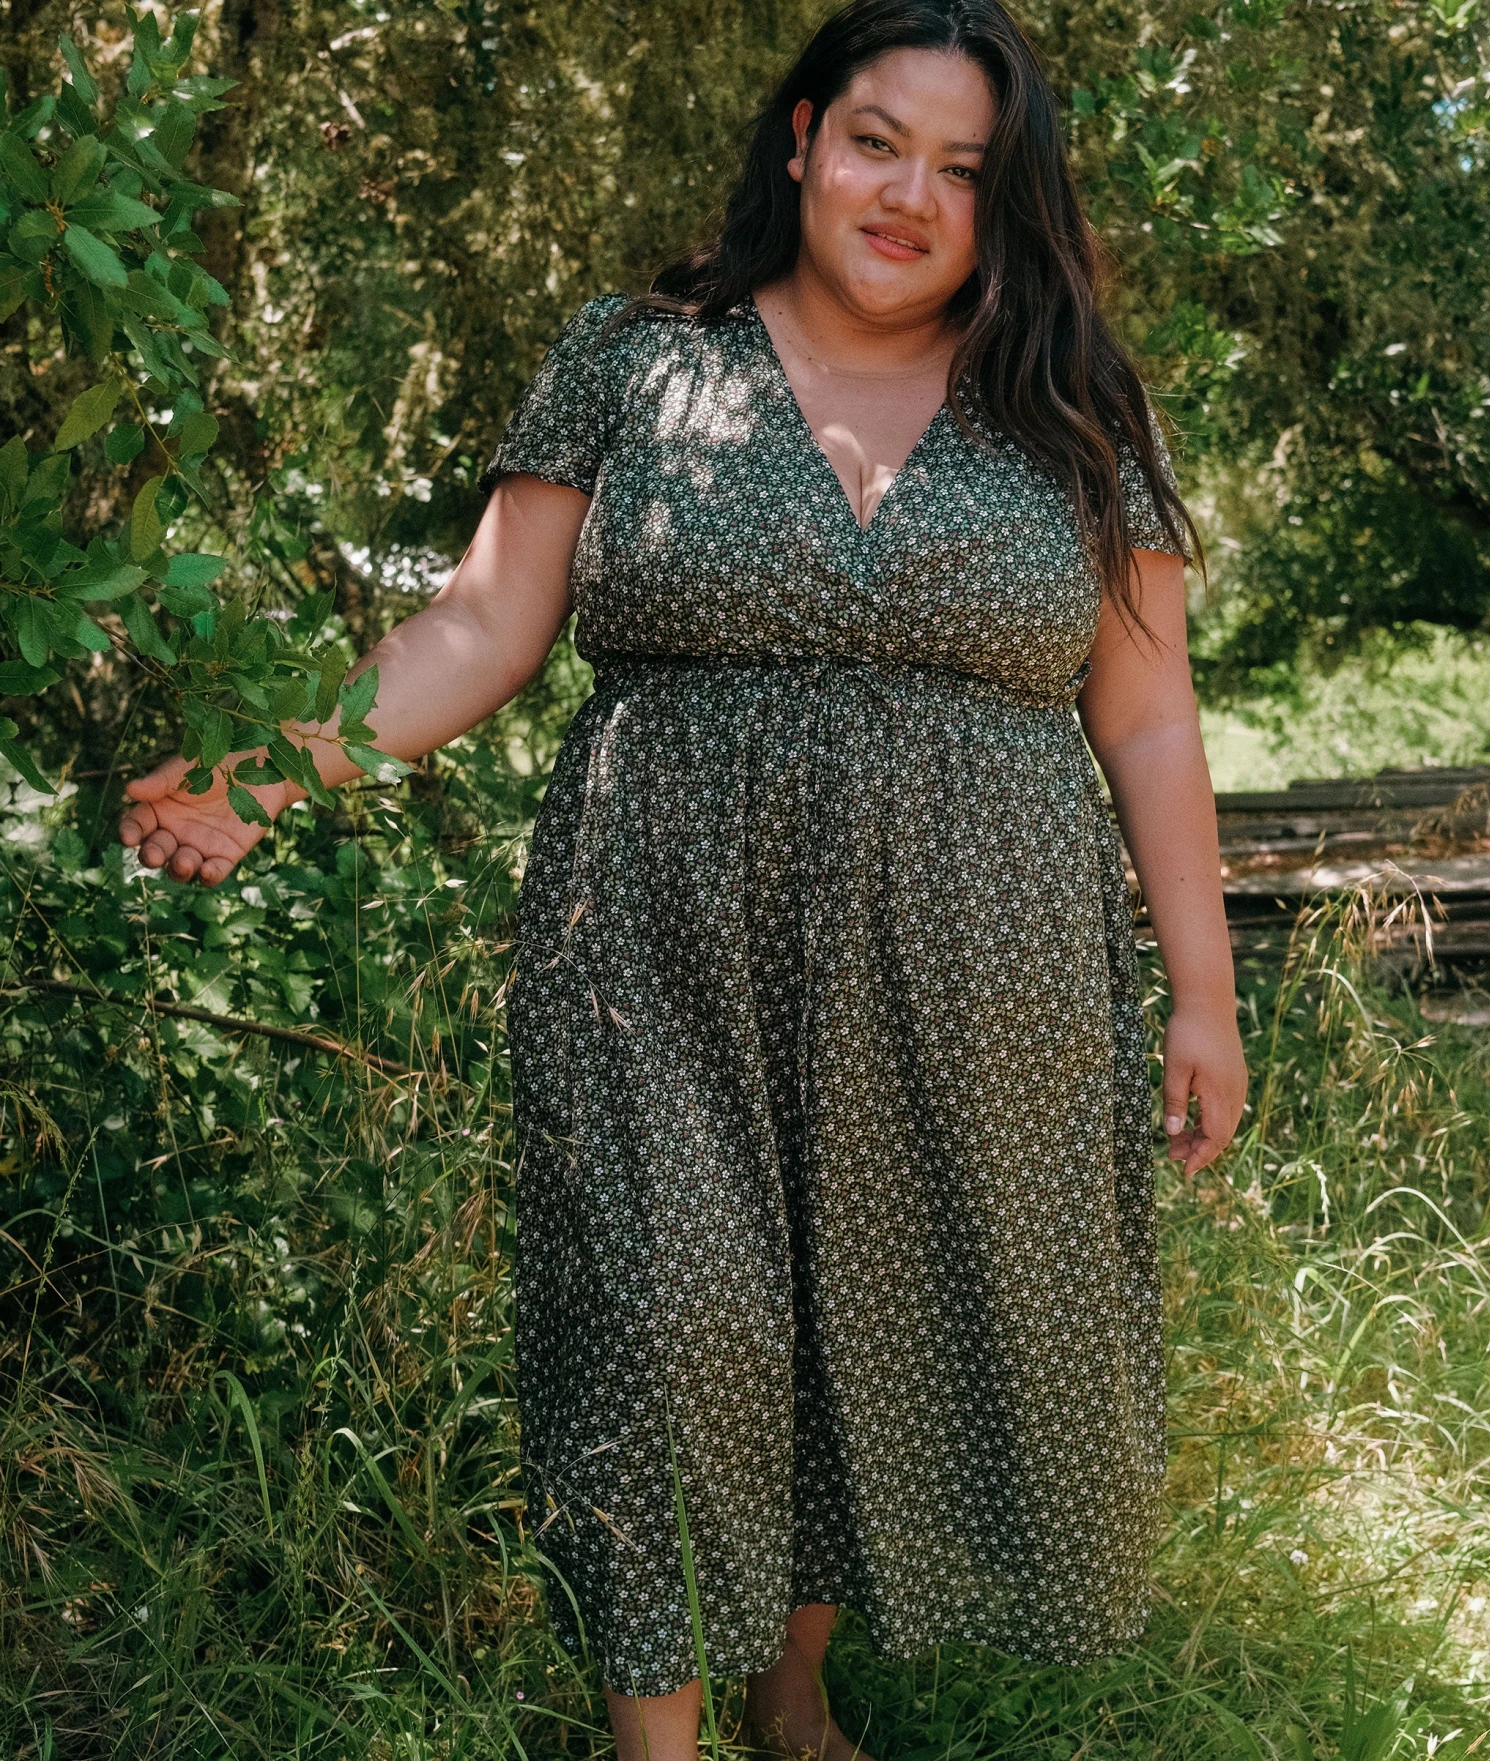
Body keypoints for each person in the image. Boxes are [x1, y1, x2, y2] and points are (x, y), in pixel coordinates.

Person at [119, 0, 1249, 1755]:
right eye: (876, 141)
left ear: (1008, 200)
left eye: (963, 170)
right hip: (657, 936)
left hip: (984, 959)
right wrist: (269, 769)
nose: (909, 196)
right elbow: (486, 622)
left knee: (872, 1321)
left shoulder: (1071, 401)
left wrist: (1205, 994)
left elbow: (1151, 715)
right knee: (673, 1319)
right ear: (803, 141)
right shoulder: (640, 360)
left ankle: (790, 1678)